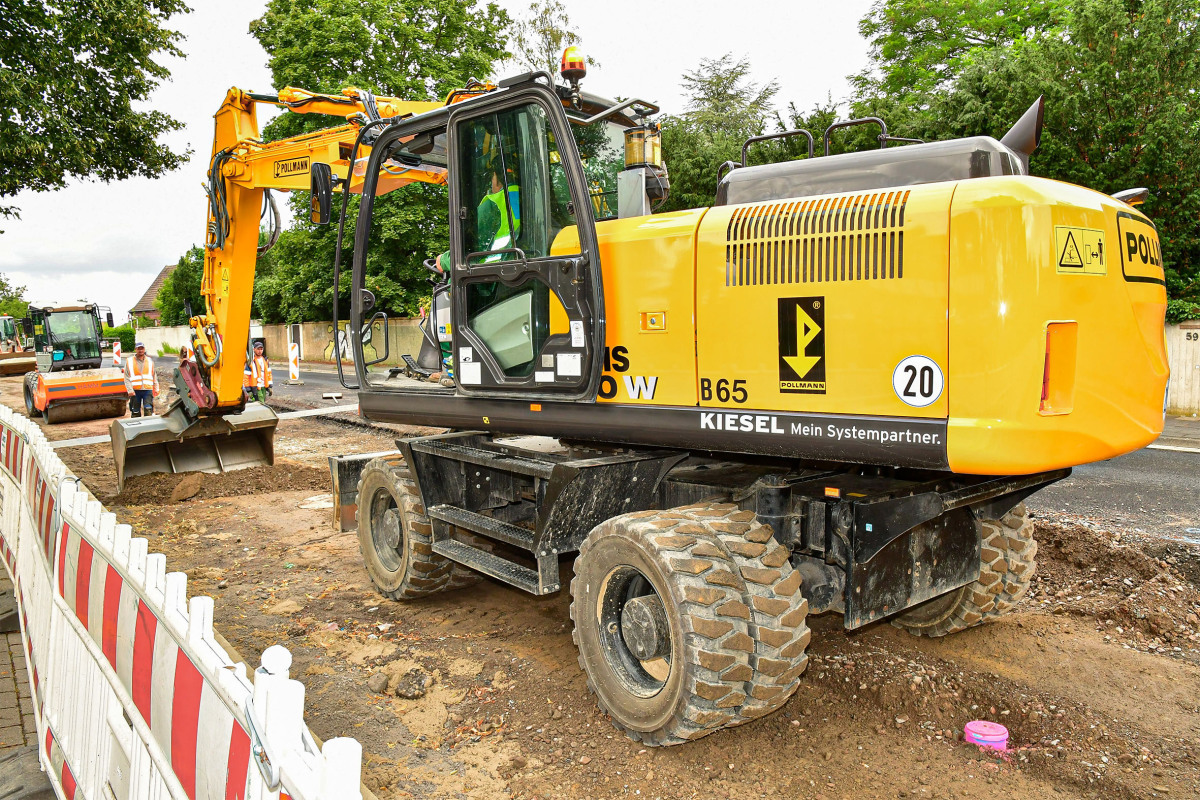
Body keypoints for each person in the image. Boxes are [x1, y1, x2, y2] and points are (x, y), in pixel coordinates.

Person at [123, 342, 159, 417]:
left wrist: (156, 388)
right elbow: (126, 377)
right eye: (138, 349)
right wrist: (130, 390)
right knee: (135, 412)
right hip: (135, 391)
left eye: (142, 348)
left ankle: (148, 427)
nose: (140, 350)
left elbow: (153, 375)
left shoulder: (149, 361)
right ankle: (136, 427)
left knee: (148, 410)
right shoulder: (129, 361)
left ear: (144, 349)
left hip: (147, 389)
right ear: (135, 349)